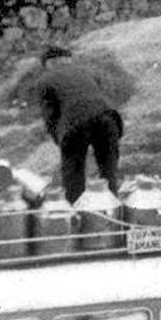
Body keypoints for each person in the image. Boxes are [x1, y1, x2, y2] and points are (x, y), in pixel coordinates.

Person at [25, 45, 124, 203]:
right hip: (108, 118)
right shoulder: (86, 72)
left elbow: (50, 116)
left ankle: (76, 215)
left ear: (48, 63)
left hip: (75, 123)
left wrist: (61, 140)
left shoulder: (45, 80)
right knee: (109, 171)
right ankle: (113, 210)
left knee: (73, 174)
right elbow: (98, 96)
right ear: (68, 59)